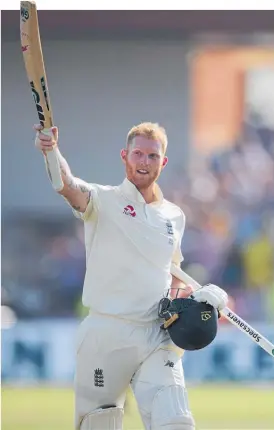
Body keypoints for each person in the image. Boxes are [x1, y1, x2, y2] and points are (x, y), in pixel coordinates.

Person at [34, 122, 228, 430]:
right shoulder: (102, 200)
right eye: (138, 153)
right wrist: (51, 151)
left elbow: (172, 277)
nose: (144, 162)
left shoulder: (174, 216)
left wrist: (200, 300)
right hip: (106, 334)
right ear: (125, 156)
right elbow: (66, 184)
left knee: (176, 420)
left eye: (153, 156)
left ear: (162, 162)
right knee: (100, 424)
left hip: (155, 334)